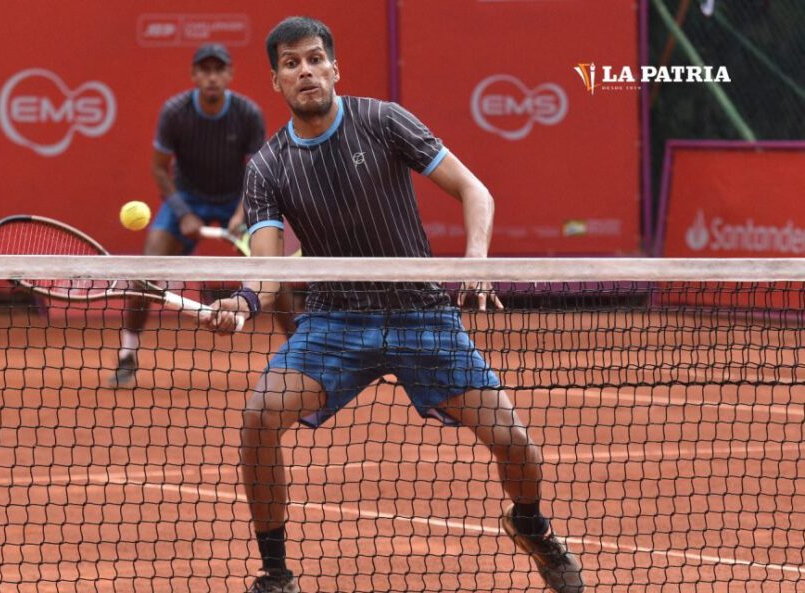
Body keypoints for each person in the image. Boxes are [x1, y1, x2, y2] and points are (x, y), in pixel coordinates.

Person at [201, 17, 585, 593]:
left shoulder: (382, 120)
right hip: (334, 321)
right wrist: (245, 300)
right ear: (276, 80)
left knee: (514, 443)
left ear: (334, 67)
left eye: (314, 59)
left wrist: (476, 261)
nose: (304, 70)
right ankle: (276, 574)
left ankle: (529, 523)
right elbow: (269, 264)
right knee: (260, 417)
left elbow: (474, 189)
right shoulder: (268, 167)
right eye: (290, 63)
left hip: (420, 314)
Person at [111, 43, 265, 387]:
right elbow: (159, 169)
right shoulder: (175, 112)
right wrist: (183, 214)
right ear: (195, 75)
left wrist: (242, 212)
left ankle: (298, 352)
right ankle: (127, 354)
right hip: (187, 198)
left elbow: (257, 172)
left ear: (229, 74)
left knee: (272, 269)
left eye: (218, 69)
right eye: (205, 70)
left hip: (233, 199)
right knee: (144, 275)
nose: (212, 77)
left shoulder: (248, 113)